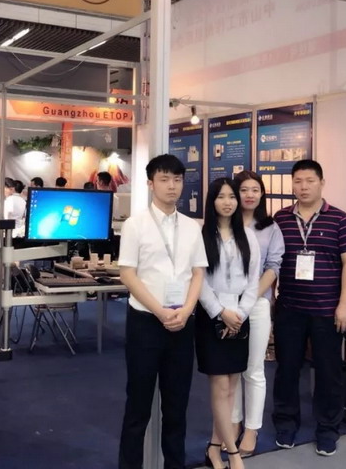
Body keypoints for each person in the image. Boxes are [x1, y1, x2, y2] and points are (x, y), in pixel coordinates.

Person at [117, 154, 208, 469]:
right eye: (165, 179)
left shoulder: (192, 226)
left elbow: (198, 272)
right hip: (145, 323)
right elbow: (127, 274)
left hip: (182, 324)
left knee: (177, 406)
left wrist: (187, 310)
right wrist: (160, 311)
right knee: (138, 405)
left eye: (177, 179)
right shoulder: (135, 225)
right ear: (150, 183)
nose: (172, 186)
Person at [271, 159, 346, 457]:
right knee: (287, 369)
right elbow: (274, 261)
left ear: (322, 183)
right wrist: (271, 299)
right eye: (298, 181)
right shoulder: (280, 218)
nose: (303, 187)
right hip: (289, 308)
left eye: (310, 181)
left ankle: (328, 428)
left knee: (328, 371)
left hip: (327, 310)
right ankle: (286, 423)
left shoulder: (340, 219)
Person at [197, 178, 260, 469]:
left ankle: (213, 448)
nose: (227, 202)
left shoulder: (248, 236)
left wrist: (241, 313)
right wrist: (219, 312)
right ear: (212, 201)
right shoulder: (201, 236)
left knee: (232, 388)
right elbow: (198, 281)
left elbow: (254, 280)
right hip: (212, 317)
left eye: (232, 197)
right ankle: (233, 453)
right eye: (221, 197)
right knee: (220, 387)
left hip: (239, 315)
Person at [230, 170, 284, 457]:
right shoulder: (225, 223)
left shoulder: (270, 228)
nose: (250, 195)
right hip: (227, 306)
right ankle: (233, 422)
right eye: (244, 190)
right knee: (231, 369)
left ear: (262, 194)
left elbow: (273, 267)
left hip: (257, 305)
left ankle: (252, 429)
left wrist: (249, 300)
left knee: (253, 370)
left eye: (255, 190)